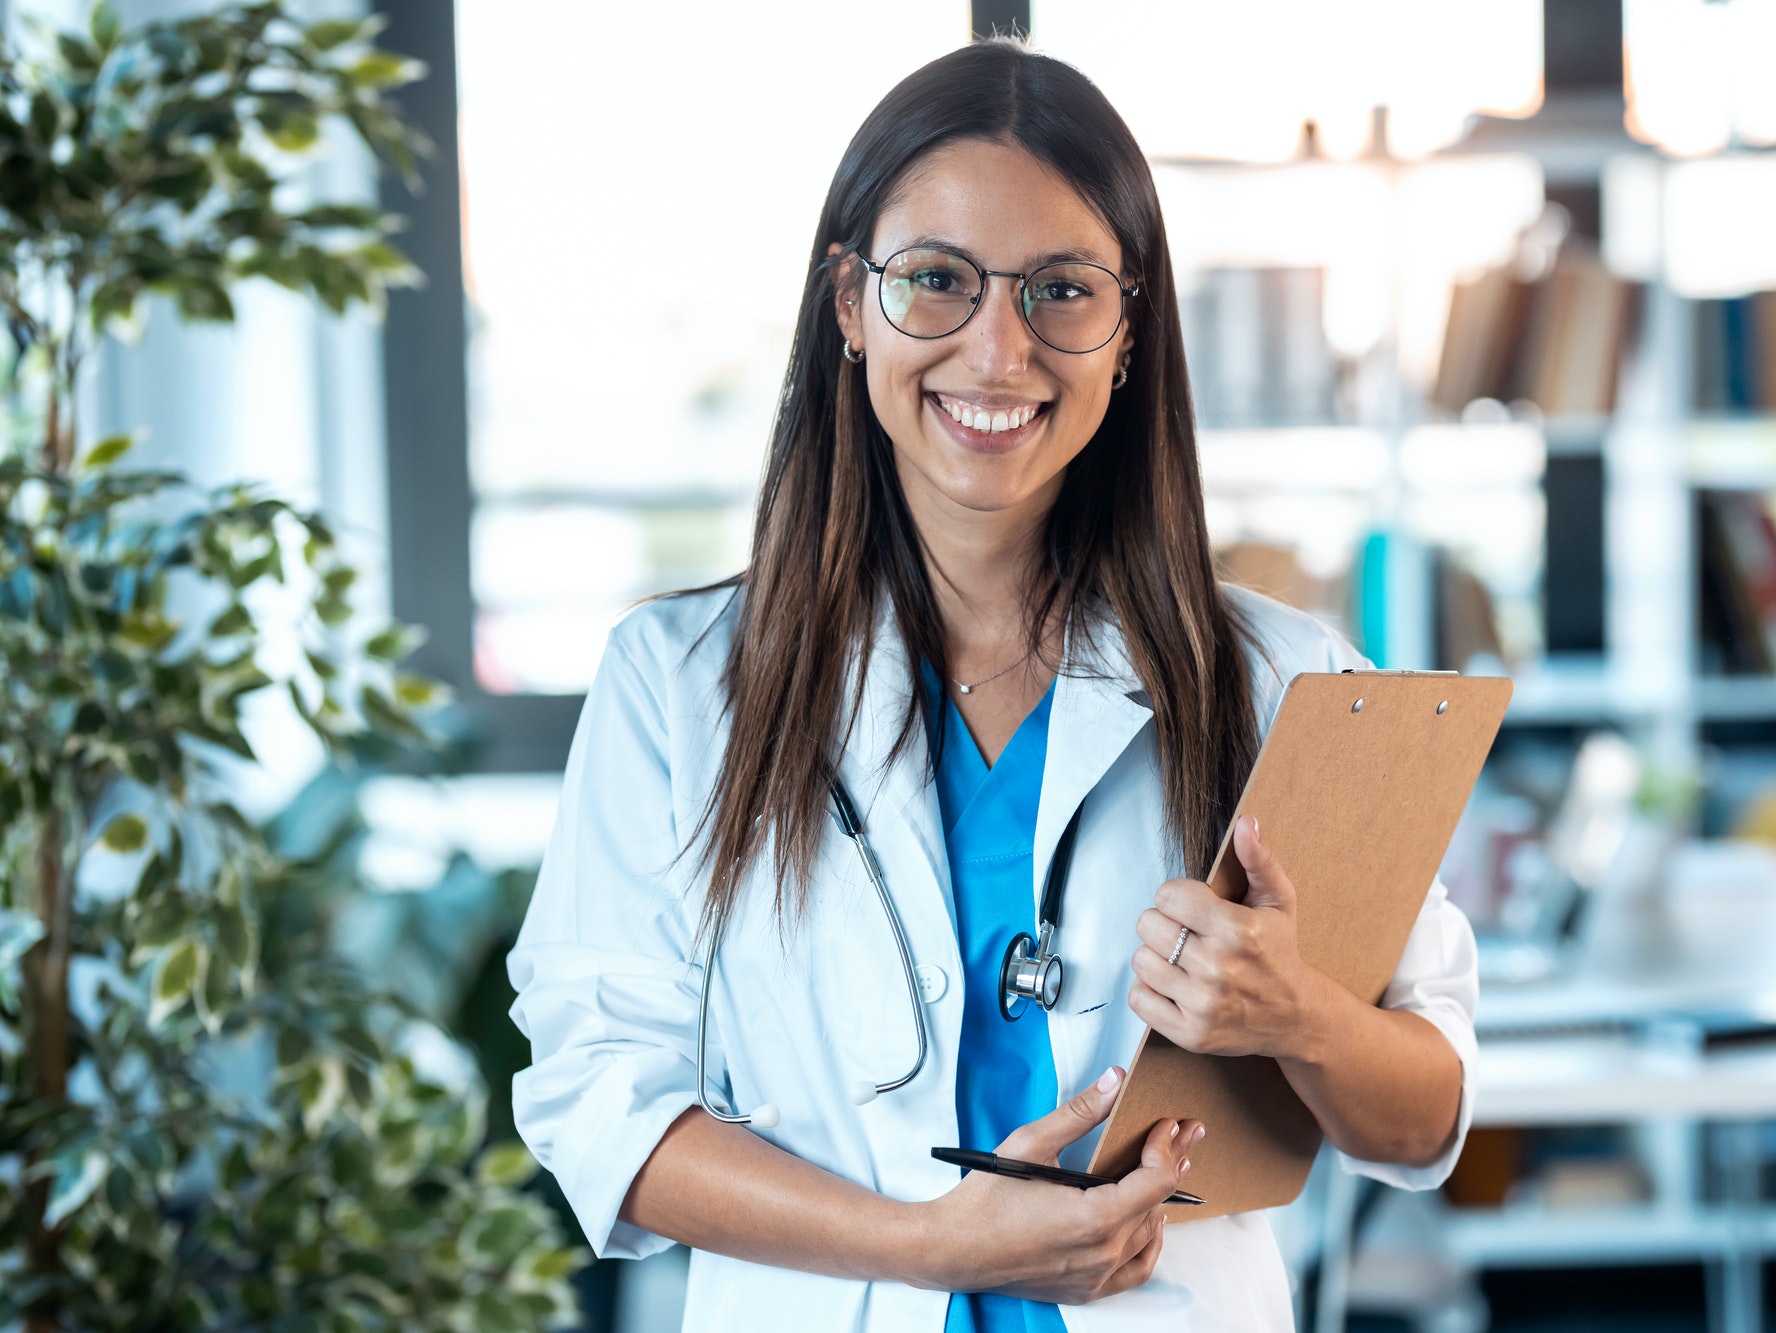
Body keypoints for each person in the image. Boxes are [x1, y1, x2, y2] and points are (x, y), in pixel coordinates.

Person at [506, 39, 1476, 1333]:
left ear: (1130, 330)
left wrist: (1297, 1015)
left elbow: (1428, 1118)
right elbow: (599, 1104)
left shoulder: (1287, 681)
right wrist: (923, 1245)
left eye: (1062, 290)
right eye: (937, 282)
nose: (997, 349)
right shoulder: (677, 686)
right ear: (849, 305)